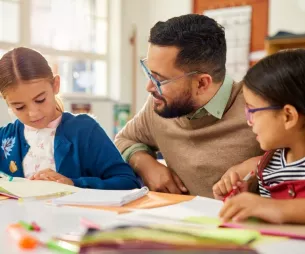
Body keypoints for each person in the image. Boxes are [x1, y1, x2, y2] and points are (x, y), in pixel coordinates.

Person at [114, 14, 262, 197]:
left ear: (202, 83)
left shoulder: (257, 107)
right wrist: (146, 165)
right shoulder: (158, 105)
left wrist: (259, 163)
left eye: (160, 80)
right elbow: (124, 139)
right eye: (149, 73)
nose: (149, 87)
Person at [0, 47, 140, 190]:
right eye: (19, 107)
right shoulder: (4, 138)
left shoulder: (85, 131)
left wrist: (74, 184)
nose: (33, 113)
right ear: (7, 102)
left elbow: (127, 182)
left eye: (40, 100)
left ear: (55, 85)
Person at [219, 49, 305, 224]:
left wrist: (271, 207)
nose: (249, 121)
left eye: (252, 111)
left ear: (288, 116)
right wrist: (246, 202)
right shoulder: (269, 166)